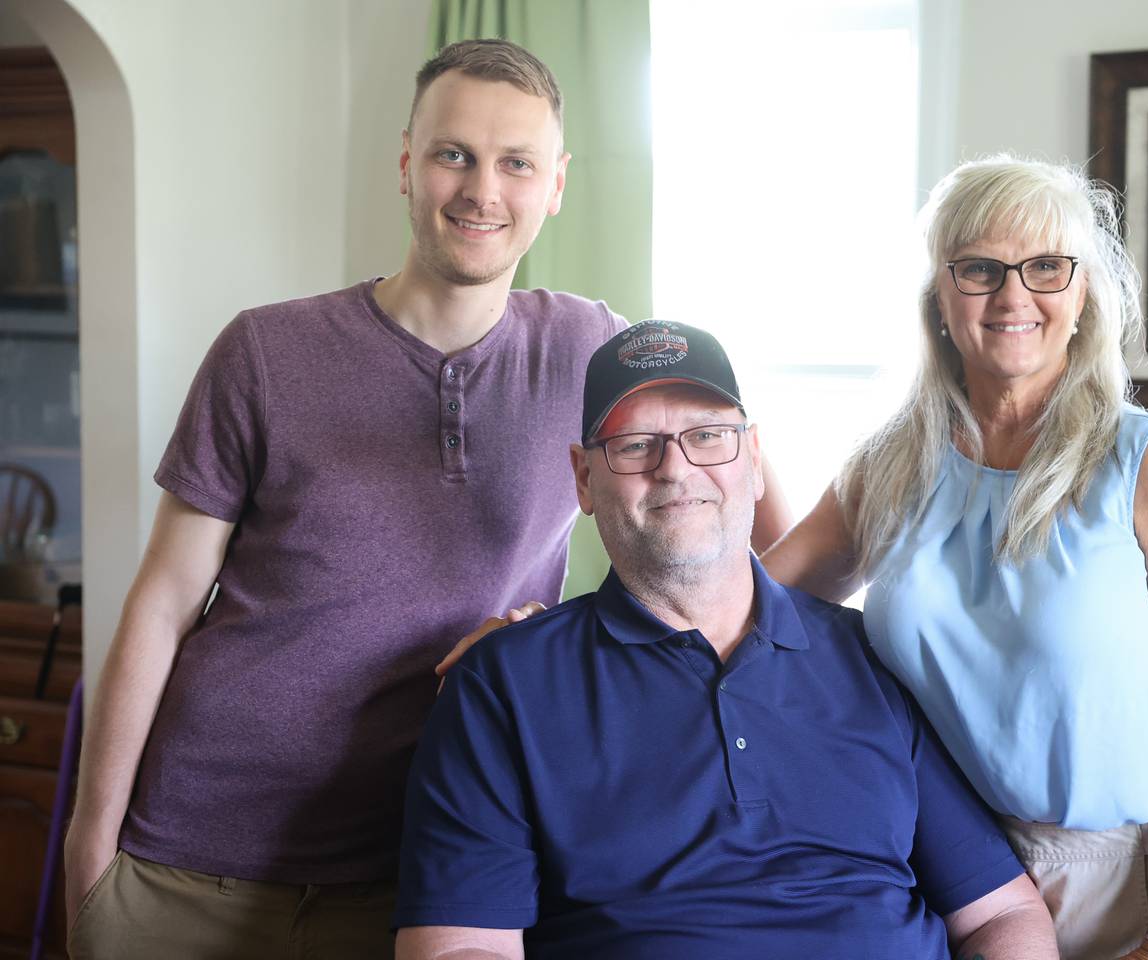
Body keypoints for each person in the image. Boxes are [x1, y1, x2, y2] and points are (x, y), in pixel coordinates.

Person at [63, 40, 785, 960]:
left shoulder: (593, 351)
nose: (483, 190)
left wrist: (549, 637)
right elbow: (163, 604)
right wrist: (92, 849)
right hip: (185, 862)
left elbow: (751, 518)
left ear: (554, 184)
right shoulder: (264, 351)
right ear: (408, 163)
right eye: (455, 154)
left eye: (516, 163)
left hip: (418, 876)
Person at [762, 156, 1148, 960]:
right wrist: (557, 639)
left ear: (1082, 295)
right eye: (980, 268)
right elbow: (748, 601)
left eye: (1046, 266)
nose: (1014, 295)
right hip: (982, 887)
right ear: (941, 299)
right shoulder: (890, 465)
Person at [393, 319, 1060, 960]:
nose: (675, 469)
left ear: (755, 459)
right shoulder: (505, 685)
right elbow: (461, 941)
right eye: (634, 445)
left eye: (708, 436)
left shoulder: (874, 657)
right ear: (583, 478)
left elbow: (1002, 912)